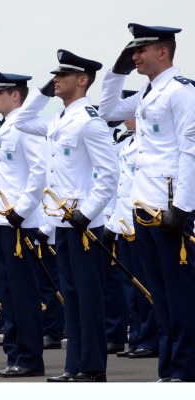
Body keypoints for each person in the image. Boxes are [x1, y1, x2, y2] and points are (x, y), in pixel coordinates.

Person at [98, 23, 195, 382]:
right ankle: (169, 370)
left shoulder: (181, 92)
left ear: (163, 52)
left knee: (180, 295)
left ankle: (184, 372)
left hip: (170, 209)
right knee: (161, 296)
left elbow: (191, 149)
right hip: (145, 207)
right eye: (132, 51)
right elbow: (108, 109)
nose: (135, 56)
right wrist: (118, 70)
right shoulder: (148, 93)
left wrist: (182, 207)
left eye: (141, 50)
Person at [15, 49, 119, 382]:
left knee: (88, 300)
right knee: (71, 296)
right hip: (62, 222)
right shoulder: (59, 120)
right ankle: (75, 365)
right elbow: (21, 120)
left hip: (83, 225)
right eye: (55, 75)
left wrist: (87, 214)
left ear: (83, 80)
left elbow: (109, 174)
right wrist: (45, 90)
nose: (56, 79)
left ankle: (91, 367)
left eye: (63, 75)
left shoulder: (90, 122)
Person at [0, 69, 47, 377]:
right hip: (1, 223)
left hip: (20, 222)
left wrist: (22, 209)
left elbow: (40, 170)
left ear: (15, 95)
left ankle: (29, 358)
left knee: (23, 294)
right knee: (6, 294)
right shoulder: (4, 128)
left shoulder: (25, 127)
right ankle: (15, 355)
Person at [104, 111, 158, 359]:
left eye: (131, 115)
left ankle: (149, 339)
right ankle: (136, 338)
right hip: (124, 223)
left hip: (142, 222)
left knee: (145, 286)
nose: (126, 119)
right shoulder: (126, 144)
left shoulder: (150, 143)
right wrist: (113, 224)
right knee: (130, 287)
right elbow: (119, 188)